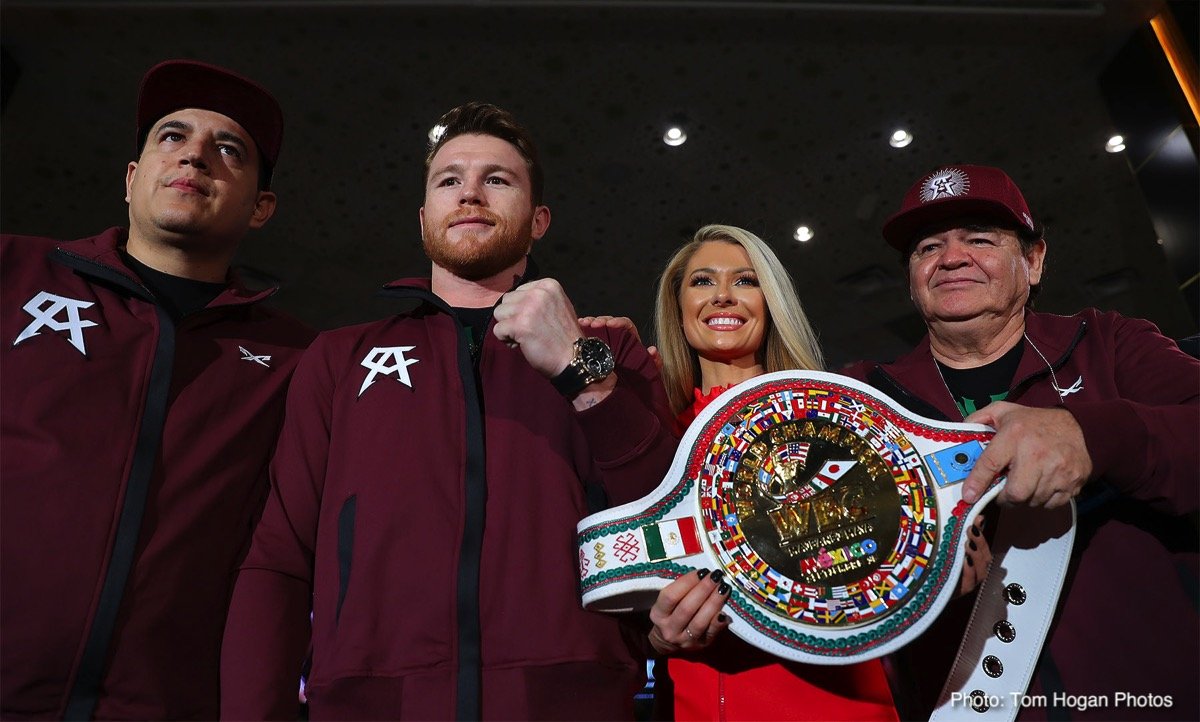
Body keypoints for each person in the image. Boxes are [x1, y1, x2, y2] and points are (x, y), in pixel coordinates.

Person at [219, 102, 676, 720]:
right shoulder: (338, 356)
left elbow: (666, 521)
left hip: (570, 698)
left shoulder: (608, 349)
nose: (470, 194)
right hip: (371, 701)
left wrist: (578, 367)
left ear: (538, 219)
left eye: (497, 179)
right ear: (424, 216)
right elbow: (280, 555)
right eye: (449, 180)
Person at [0, 60, 314, 720]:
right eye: (171, 136)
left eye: (228, 149)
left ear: (262, 207)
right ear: (132, 178)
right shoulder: (13, 273)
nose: (195, 153)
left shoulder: (299, 359)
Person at [843, 164, 1199, 721]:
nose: (951, 257)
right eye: (927, 247)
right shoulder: (864, 398)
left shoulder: (1109, 344)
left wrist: (1093, 434)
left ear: (1033, 262)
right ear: (913, 280)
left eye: (979, 239)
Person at [612, 224, 988, 721]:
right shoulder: (648, 443)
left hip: (840, 699)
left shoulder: (843, 418)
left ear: (771, 302)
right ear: (676, 308)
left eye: (746, 281)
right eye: (702, 282)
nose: (723, 296)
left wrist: (939, 569)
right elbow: (614, 599)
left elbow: (918, 538)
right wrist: (656, 636)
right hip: (697, 699)